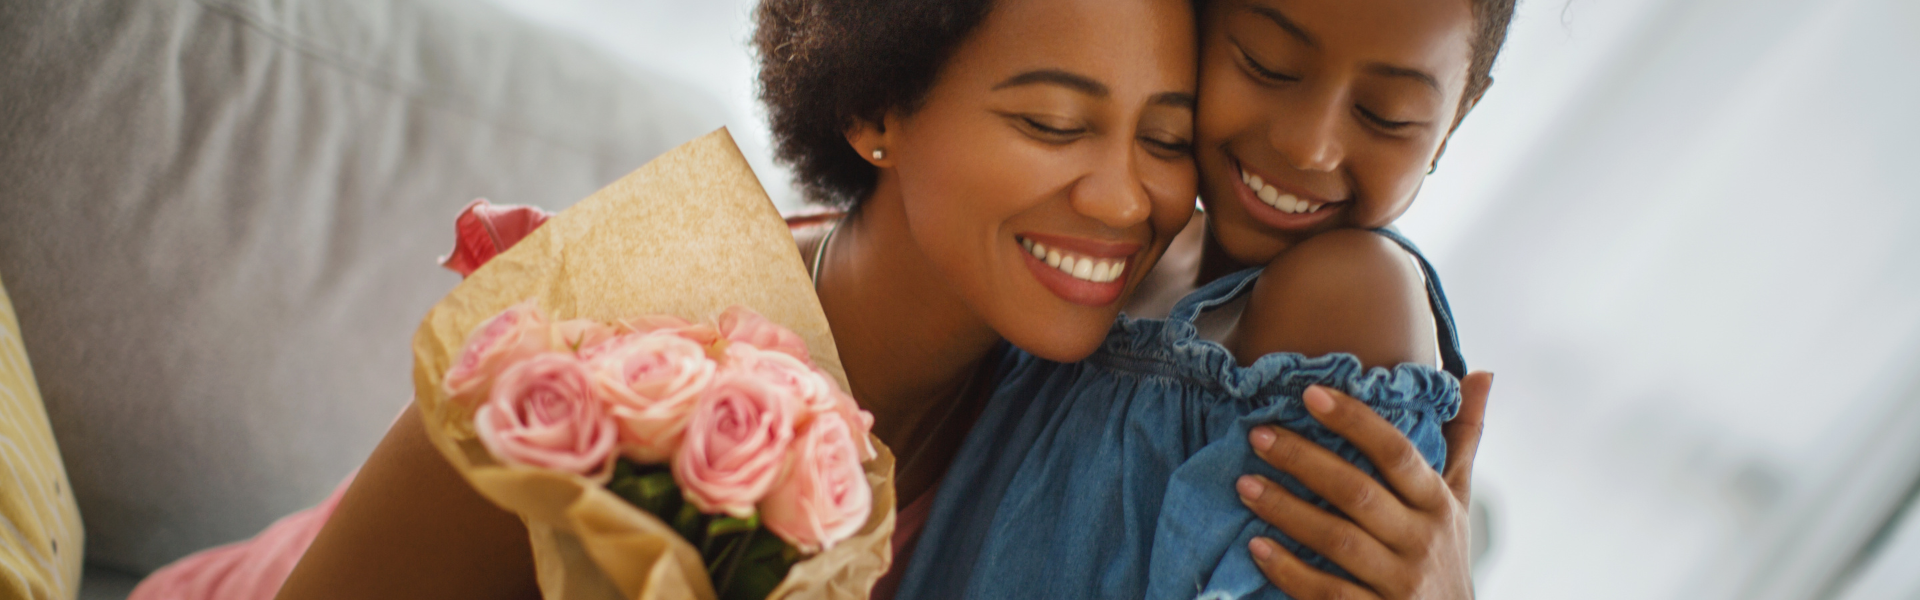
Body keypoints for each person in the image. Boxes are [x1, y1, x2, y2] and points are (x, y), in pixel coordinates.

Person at [895, 0, 1510, 598]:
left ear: (1455, 117)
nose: (1307, 146)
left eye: (1386, 113)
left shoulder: (1349, 296)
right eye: (1266, 64)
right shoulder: (1121, 250)